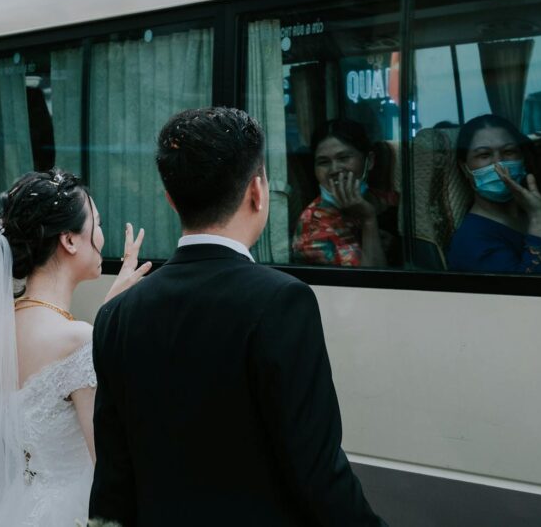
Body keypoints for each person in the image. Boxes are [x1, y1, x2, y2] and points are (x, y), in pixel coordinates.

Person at [89, 107, 386, 526]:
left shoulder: (116, 314)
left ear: (171, 199)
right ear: (257, 191)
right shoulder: (282, 301)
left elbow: (113, 479)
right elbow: (317, 470)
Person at [0, 169, 150, 526]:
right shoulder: (78, 340)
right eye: (98, 223)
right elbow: (107, 463)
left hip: (22, 506)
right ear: (70, 241)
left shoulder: (0, 329)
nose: (103, 237)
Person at [445, 114, 541, 274]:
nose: (499, 165)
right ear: (464, 168)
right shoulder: (471, 240)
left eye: (508, 152)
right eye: (484, 155)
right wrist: (537, 218)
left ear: (522, 158)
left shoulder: (537, 211)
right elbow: (529, 293)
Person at [291, 119, 399, 267]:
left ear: (370, 161)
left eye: (344, 158)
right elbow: (371, 285)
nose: (334, 170)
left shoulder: (386, 200)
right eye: (324, 162)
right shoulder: (313, 226)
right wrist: (368, 220)